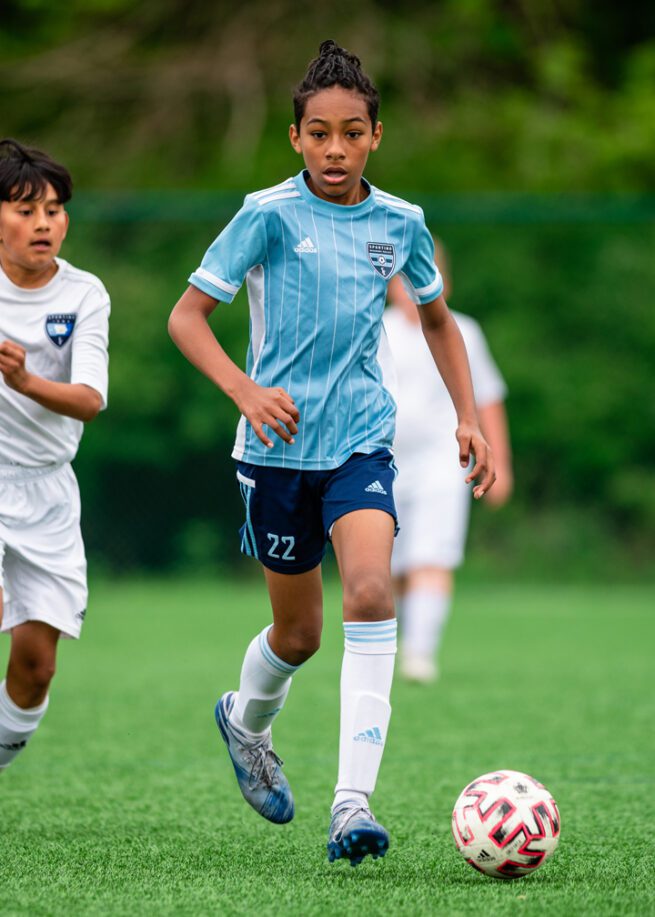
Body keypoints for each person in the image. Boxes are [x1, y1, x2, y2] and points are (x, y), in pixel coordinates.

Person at [168, 40, 495, 866]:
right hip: (275, 452)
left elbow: (434, 321)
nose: (335, 148)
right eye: (319, 133)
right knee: (299, 633)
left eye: (352, 132)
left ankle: (351, 802)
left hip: (359, 441)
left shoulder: (402, 224)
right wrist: (245, 390)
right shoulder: (266, 213)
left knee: (372, 589)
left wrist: (468, 416)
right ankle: (246, 722)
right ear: (296, 139)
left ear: (375, 137)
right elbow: (185, 318)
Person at [0, 139, 110, 773]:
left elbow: (90, 400)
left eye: (54, 209)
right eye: (24, 209)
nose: (44, 223)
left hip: (46, 490)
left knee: (36, 666)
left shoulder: (85, 295)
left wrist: (24, 381)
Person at [384, 241, 512, 683]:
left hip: (444, 459)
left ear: (443, 281)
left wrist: (502, 465)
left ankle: (421, 653)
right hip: (382, 461)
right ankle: (398, 642)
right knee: (391, 565)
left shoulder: (464, 332)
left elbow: (489, 399)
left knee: (431, 555)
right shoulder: (375, 331)